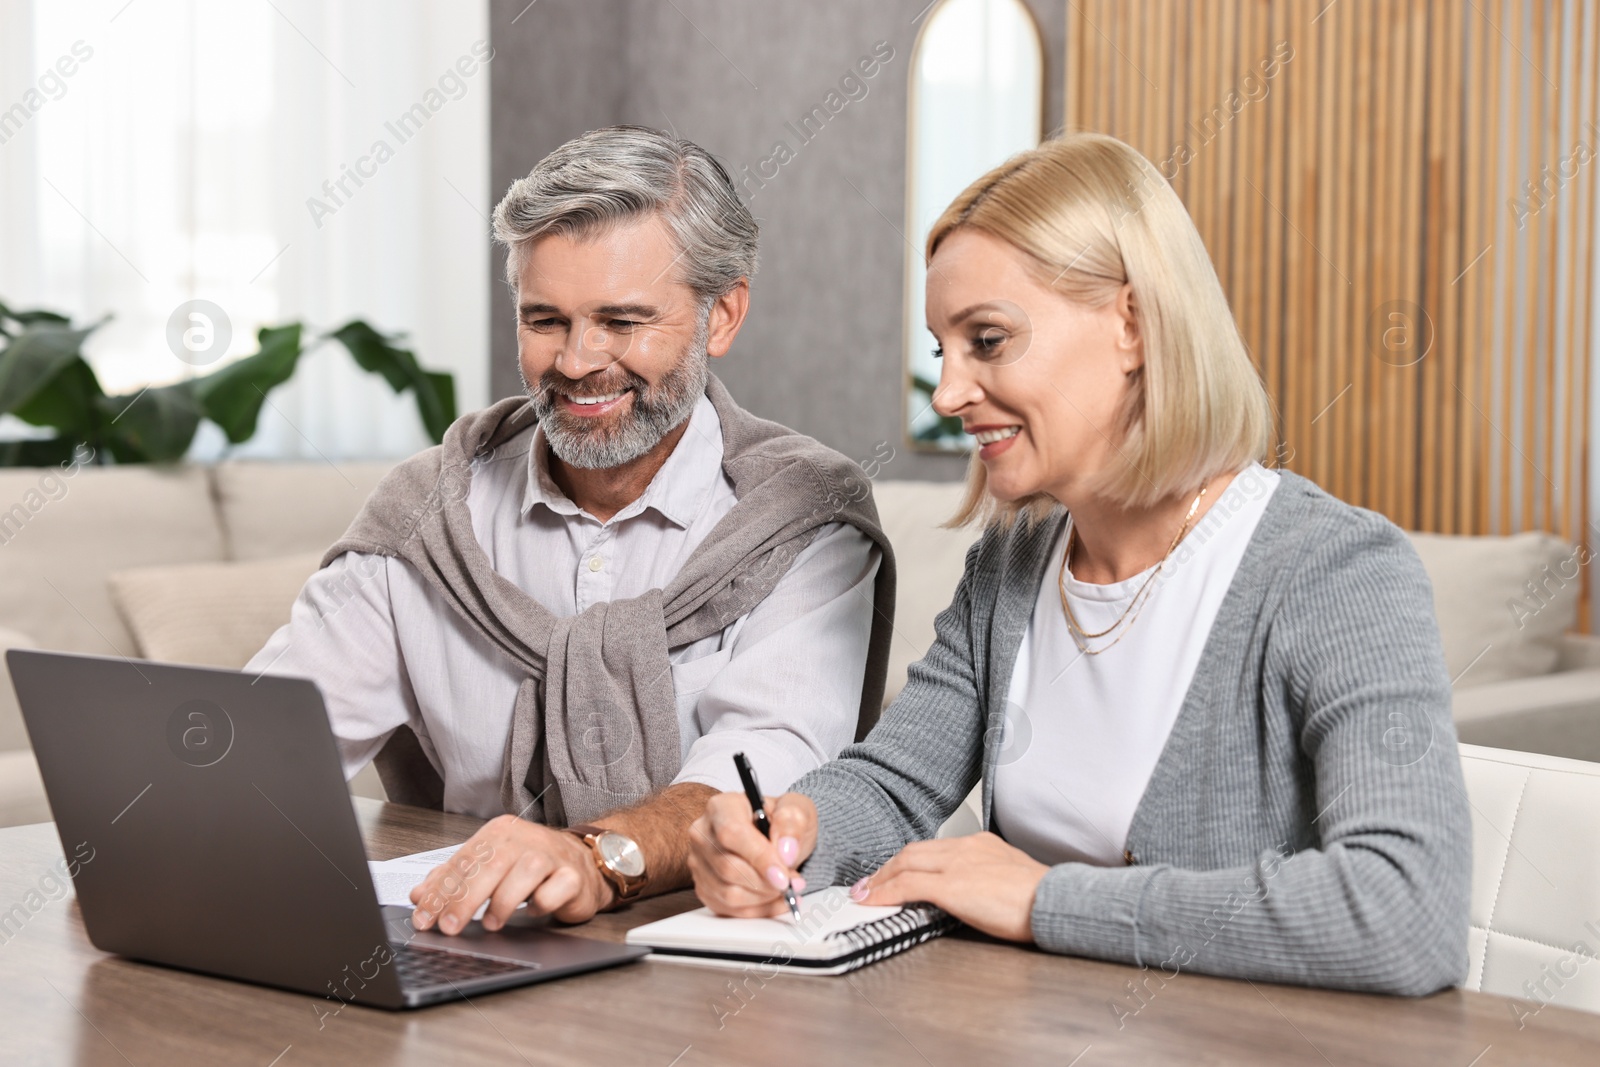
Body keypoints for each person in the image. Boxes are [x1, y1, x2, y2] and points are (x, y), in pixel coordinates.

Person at [687, 132, 1471, 995]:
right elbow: (894, 781)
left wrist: (1045, 901)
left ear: (1132, 326)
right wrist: (793, 830)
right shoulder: (1014, 564)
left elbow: (1405, 911)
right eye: (942, 350)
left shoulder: (1334, 571)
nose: (947, 393)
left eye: (988, 340)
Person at [246, 125, 895, 935]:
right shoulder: (431, 514)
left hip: (720, 965)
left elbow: (763, 771)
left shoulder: (801, 514)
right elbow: (269, 743)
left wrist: (594, 854)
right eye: (546, 320)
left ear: (720, 315)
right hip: (471, 941)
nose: (580, 361)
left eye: (622, 322)